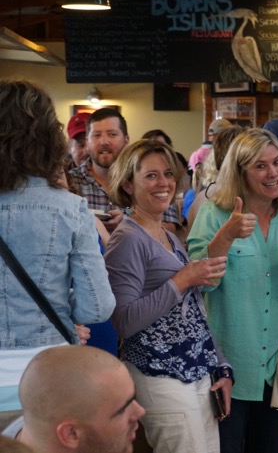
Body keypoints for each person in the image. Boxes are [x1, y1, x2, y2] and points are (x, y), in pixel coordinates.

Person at [187, 128, 278, 453]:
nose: (273, 172)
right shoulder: (215, 215)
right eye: (260, 166)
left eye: (277, 163)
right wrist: (226, 236)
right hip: (229, 365)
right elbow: (201, 280)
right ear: (240, 172)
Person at [0, 78, 115, 430]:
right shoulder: (70, 209)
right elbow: (97, 307)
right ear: (50, 137)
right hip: (48, 374)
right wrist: (58, 300)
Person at [104, 139, 233, 453]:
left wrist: (220, 366)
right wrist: (182, 279)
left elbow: (193, 313)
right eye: (150, 176)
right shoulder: (128, 240)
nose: (163, 183)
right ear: (127, 185)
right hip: (160, 374)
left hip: (196, 373)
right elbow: (123, 321)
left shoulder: (168, 235)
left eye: (168, 174)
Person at [3, 346, 145, 453]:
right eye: (122, 410)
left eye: (133, 398)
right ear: (71, 433)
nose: (140, 411)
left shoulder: (38, 426)